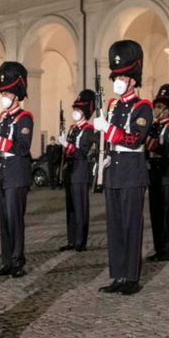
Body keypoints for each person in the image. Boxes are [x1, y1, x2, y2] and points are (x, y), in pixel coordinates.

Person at [93, 40, 153, 295]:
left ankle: (131, 277)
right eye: (115, 75)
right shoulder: (113, 106)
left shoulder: (143, 107)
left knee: (131, 224)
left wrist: (109, 130)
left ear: (133, 80)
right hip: (114, 170)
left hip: (131, 169)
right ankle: (117, 275)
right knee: (115, 226)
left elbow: (135, 138)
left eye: (122, 76)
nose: (117, 80)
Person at [0, 62, 33, 278]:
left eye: (7, 92)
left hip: (17, 173)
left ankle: (17, 261)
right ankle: (7, 260)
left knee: (15, 220)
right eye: (3, 91)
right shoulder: (5, 118)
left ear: (16, 94)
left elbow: (22, 148)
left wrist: (0, 140)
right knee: (5, 221)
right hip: (6, 173)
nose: (4, 95)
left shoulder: (25, 118)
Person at [146, 84, 169, 261]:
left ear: (168, 110)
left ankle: (168, 249)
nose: (157, 109)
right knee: (156, 212)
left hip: (168, 171)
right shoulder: (154, 126)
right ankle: (158, 247)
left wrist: (151, 141)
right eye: (156, 106)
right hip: (154, 172)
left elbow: (168, 147)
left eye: (161, 107)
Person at [58, 89, 95, 252]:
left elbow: (82, 152)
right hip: (71, 172)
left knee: (81, 209)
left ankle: (81, 241)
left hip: (80, 172)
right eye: (75, 109)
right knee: (71, 209)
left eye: (79, 110)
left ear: (85, 112)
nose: (76, 112)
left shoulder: (88, 130)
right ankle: (72, 239)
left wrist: (67, 145)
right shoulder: (73, 129)